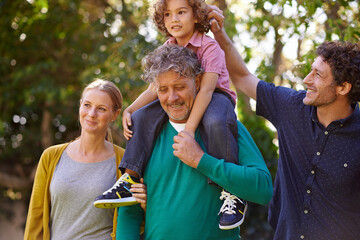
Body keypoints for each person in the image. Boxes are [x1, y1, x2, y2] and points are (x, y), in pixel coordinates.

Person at [207, 6, 360, 240]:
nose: (307, 80)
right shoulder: (291, 106)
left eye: (318, 75)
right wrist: (219, 34)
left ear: (343, 88)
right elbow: (242, 77)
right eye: (311, 71)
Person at [94, 0, 246, 229]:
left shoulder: (209, 47)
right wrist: (131, 109)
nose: (174, 19)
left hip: (216, 96)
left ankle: (232, 193)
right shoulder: (167, 48)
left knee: (215, 120)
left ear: (196, 16)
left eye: (181, 12)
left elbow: (205, 90)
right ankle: (129, 178)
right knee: (141, 117)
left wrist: (190, 130)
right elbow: (155, 88)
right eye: (167, 14)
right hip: (184, 96)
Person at [115, 44, 273, 240]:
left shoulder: (224, 126)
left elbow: (263, 189)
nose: (172, 98)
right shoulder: (145, 135)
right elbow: (128, 213)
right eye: (163, 89)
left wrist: (201, 160)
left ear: (198, 82)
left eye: (180, 87)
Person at [24, 79, 147, 240]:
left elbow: (135, 220)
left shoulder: (125, 161)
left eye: (101, 109)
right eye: (87, 105)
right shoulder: (51, 156)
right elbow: (36, 218)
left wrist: (145, 204)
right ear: (80, 105)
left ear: (114, 115)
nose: (91, 114)